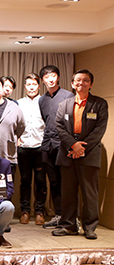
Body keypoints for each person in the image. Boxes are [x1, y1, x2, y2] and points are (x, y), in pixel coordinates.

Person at [52, 69, 108, 240]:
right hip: (67, 154)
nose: (81, 83)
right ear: (72, 83)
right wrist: (73, 145)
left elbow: (99, 129)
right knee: (68, 192)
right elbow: (59, 127)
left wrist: (82, 148)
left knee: (90, 193)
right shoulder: (65, 104)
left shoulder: (99, 104)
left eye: (85, 80)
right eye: (77, 80)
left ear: (91, 84)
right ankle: (69, 225)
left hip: (89, 155)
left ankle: (90, 227)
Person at [38, 65, 74, 229]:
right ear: (43, 80)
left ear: (58, 77)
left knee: (66, 181)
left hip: (63, 145)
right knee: (53, 181)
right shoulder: (42, 99)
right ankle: (59, 215)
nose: (50, 79)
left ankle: (70, 217)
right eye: (47, 76)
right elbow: (46, 121)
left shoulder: (68, 96)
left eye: (53, 75)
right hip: (47, 144)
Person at [17, 73, 46, 225]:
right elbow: (14, 123)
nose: (31, 87)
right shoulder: (19, 103)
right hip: (24, 148)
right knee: (25, 180)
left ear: (39, 86)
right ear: (25, 87)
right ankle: (25, 211)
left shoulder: (44, 101)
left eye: (34, 84)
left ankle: (40, 212)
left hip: (40, 147)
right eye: (28, 84)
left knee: (41, 181)